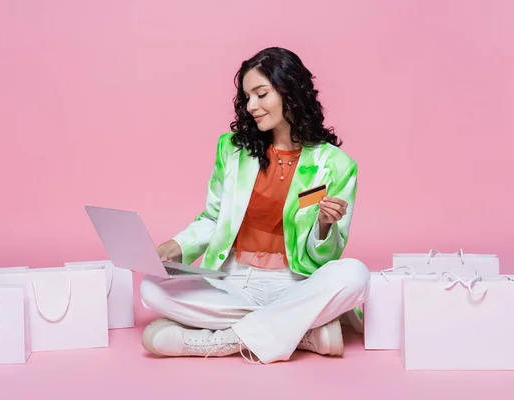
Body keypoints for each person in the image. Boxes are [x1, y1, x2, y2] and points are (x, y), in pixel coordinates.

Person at [140, 47, 370, 364]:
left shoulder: (337, 165)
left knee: (356, 275)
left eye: (261, 94)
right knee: (152, 289)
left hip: (293, 282)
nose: (252, 106)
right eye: (247, 97)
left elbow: (327, 256)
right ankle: (302, 331)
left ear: (289, 91)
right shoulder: (232, 150)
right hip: (233, 280)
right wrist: (172, 248)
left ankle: (220, 341)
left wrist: (325, 225)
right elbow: (212, 218)